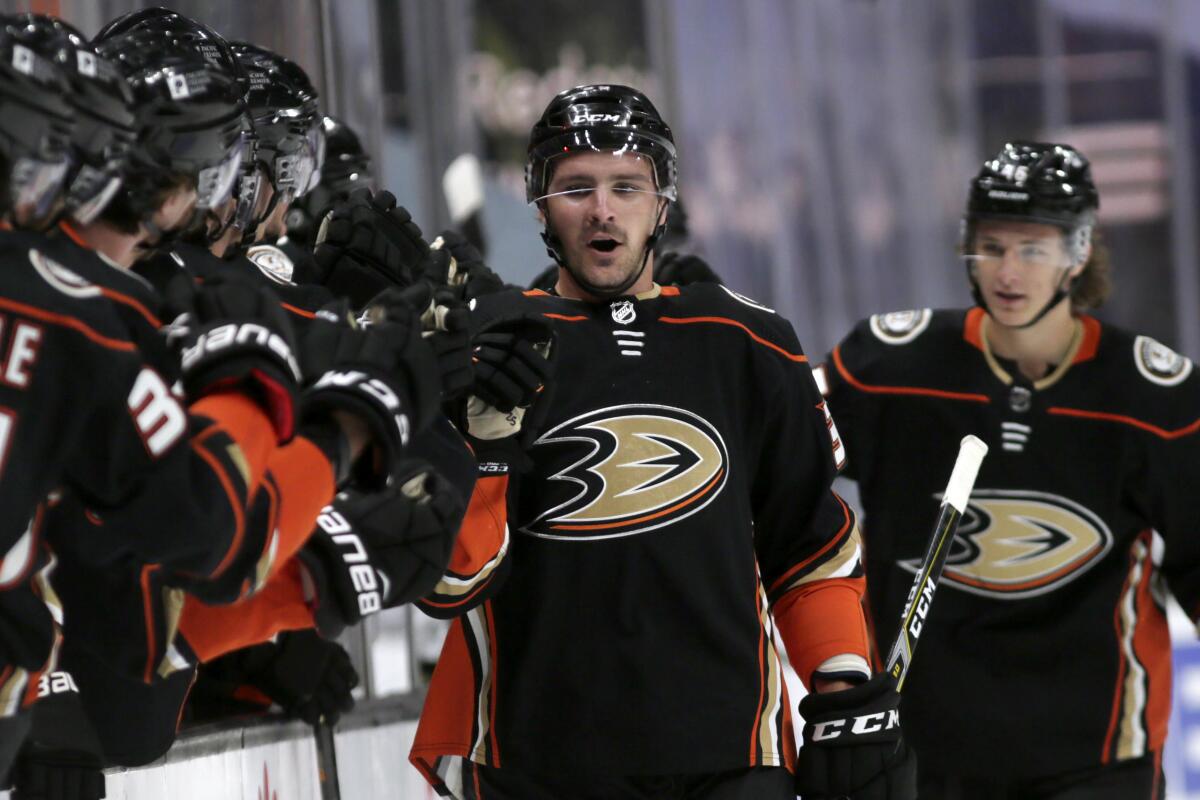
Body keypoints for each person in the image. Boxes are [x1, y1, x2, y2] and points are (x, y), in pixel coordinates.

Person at [410, 84, 916, 800]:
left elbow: (807, 546)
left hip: (735, 759)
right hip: (542, 762)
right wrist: (481, 438)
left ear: (663, 203)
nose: (602, 209)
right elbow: (451, 581)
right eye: (575, 187)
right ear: (541, 208)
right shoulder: (492, 346)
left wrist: (841, 682)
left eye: (627, 185)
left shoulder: (747, 341)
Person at [817, 141, 1199, 799]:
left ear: (1079, 252)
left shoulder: (1153, 399)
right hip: (921, 754)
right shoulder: (887, 369)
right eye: (991, 247)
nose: (1009, 272)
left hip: (1097, 757)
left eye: (1033, 248)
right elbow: (772, 460)